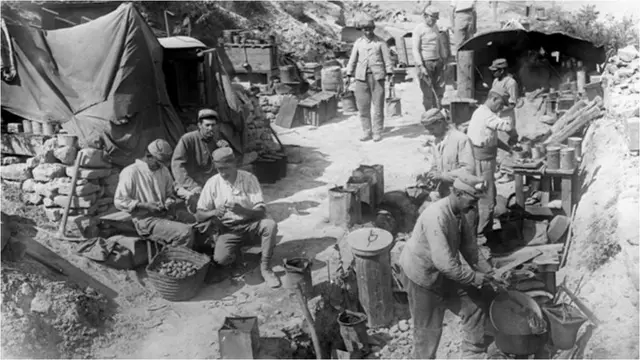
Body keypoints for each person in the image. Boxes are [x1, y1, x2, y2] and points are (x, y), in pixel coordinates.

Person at [399, 173, 495, 359]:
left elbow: (470, 249)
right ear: (458, 194)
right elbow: (445, 264)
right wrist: (475, 277)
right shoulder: (437, 216)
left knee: (474, 304)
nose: (475, 205)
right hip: (421, 275)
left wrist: (490, 273)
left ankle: (472, 352)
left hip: (443, 270)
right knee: (428, 329)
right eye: (472, 199)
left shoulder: (462, 212)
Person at [195, 147, 281, 288]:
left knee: (270, 226)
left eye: (226, 168)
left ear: (234, 164)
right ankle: (237, 255)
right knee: (220, 259)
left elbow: (261, 211)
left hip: (251, 224)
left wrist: (243, 211)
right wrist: (214, 212)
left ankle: (265, 268)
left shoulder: (248, 179)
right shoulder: (212, 183)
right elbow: (199, 214)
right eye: (219, 169)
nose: (222, 173)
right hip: (229, 229)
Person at [114, 139, 194, 248]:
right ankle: (172, 258)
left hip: (164, 214)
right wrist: (145, 205)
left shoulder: (163, 169)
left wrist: (169, 201)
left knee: (196, 220)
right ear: (148, 156)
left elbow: (169, 192)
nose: (161, 165)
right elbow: (119, 201)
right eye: (159, 161)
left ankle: (184, 255)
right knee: (185, 232)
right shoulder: (131, 172)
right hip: (145, 220)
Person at [466, 86, 515, 236]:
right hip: (482, 161)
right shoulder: (486, 115)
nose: (501, 108)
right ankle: (482, 235)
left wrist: (509, 149)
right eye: (500, 104)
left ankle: (483, 230)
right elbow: (505, 126)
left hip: (485, 160)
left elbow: (491, 138)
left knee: (487, 195)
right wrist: (511, 119)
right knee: (486, 199)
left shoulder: (483, 113)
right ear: (493, 99)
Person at [346, 15, 394, 142]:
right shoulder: (358, 43)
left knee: (378, 106)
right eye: (365, 29)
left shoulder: (380, 42)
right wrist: (349, 73)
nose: (368, 31)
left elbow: (387, 60)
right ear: (362, 30)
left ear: (373, 29)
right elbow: (352, 59)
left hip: (377, 78)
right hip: (361, 78)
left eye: (370, 29)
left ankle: (377, 131)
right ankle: (367, 131)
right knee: (363, 107)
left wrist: (389, 73)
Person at [172, 109, 228, 208]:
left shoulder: (217, 141)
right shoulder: (188, 139)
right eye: (207, 125)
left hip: (208, 184)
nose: (211, 128)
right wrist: (193, 186)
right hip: (188, 184)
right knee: (197, 202)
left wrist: (225, 152)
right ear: (199, 125)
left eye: (213, 125)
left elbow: (224, 167)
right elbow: (177, 165)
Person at [418, 108, 476, 203]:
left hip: (461, 195)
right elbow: (436, 165)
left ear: (440, 122)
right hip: (444, 193)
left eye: (432, 129)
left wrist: (443, 176)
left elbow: (468, 171)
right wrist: (430, 175)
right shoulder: (437, 141)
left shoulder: (461, 139)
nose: (430, 133)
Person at [412, 6, 446, 111]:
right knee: (427, 91)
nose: (434, 20)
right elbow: (415, 50)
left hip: (437, 62)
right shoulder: (419, 29)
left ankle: (437, 111)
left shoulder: (435, 27)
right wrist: (421, 66)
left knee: (439, 89)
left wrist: (443, 58)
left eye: (436, 18)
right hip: (425, 63)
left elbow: (439, 44)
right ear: (425, 16)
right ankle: (429, 114)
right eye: (432, 18)